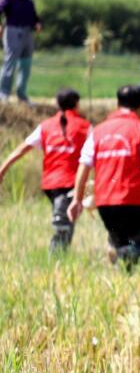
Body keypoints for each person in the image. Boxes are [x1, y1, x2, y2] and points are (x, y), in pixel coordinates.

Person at [68, 85, 140, 264]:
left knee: (121, 246)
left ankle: (119, 256)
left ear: (118, 104)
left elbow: (84, 165)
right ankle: (123, 254)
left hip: (105, 203)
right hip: (135, 201)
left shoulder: (98, 130)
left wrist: (76, 199)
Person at [0, 88, 90, 251]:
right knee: (63, 224)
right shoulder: (84, 126)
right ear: (76, 104)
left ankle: (61, 254)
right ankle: (56, 258)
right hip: (69, 182)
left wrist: (3, 169)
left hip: (49, 183)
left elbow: (21, 150)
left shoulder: (46, 126)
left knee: (67, 219)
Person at [0, 0, 42, 105]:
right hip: (13, 31)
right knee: (10, 62)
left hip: (28, 33)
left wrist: (38, 24)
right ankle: (3, 93)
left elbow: (35, 17)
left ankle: (21, 95)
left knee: (26, 65)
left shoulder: (29, 2)